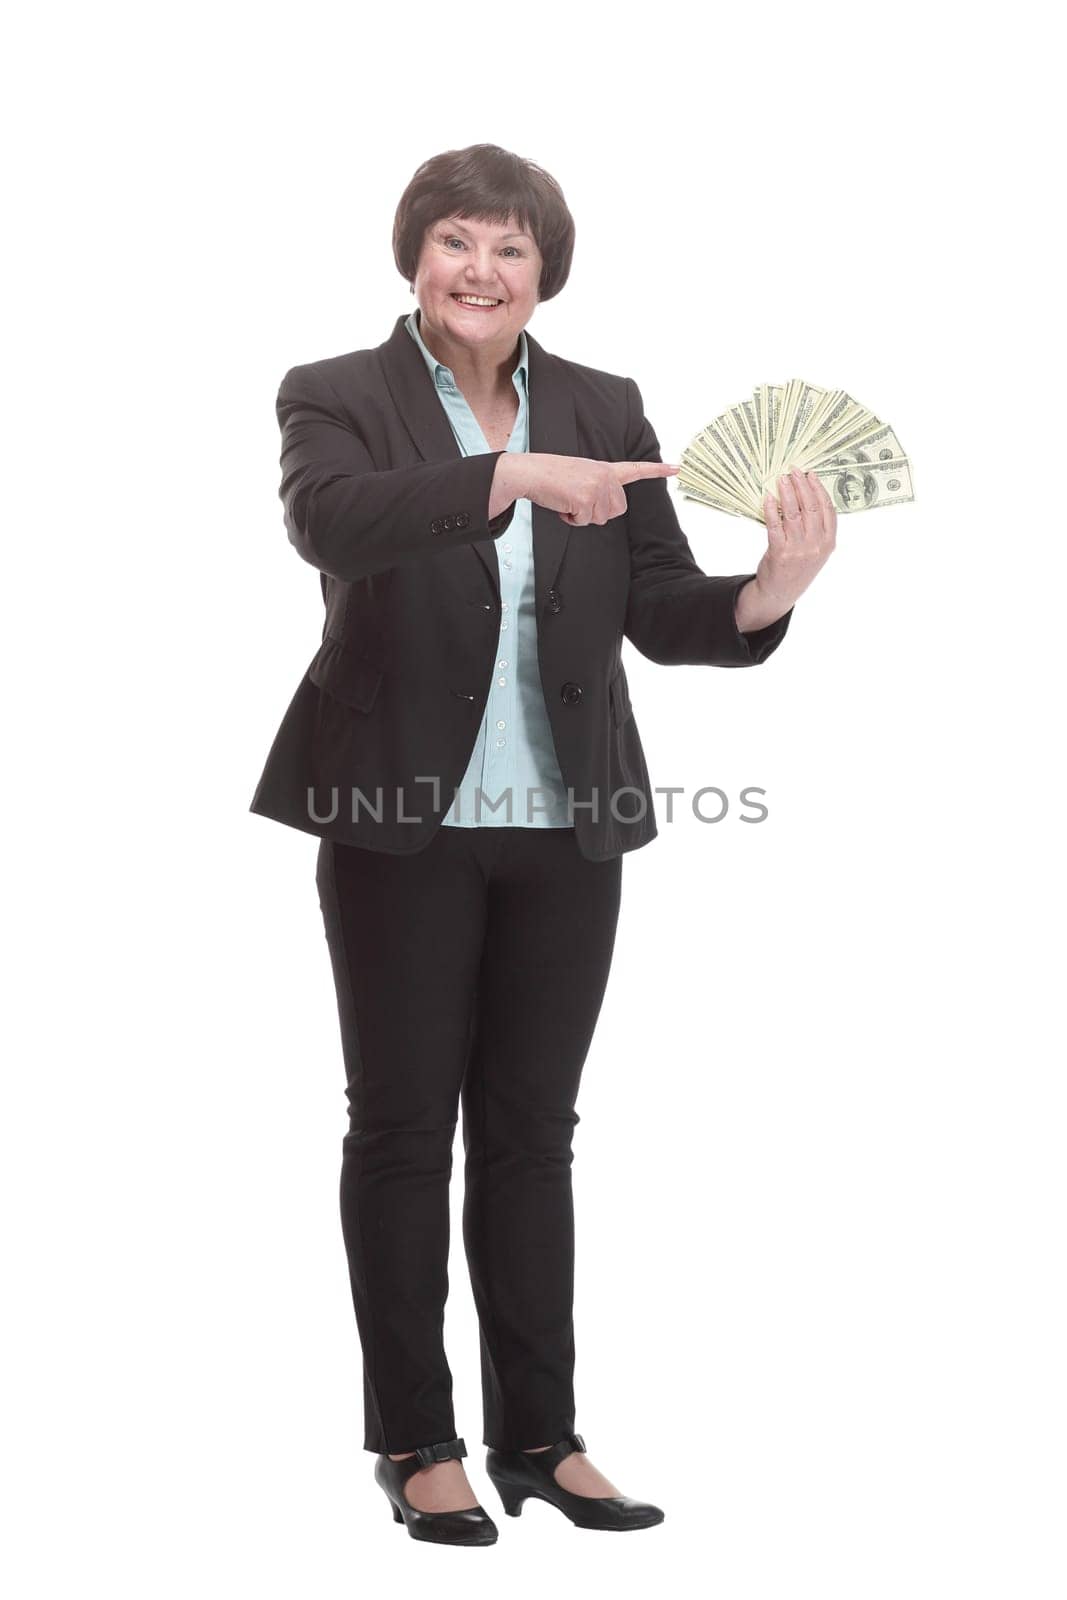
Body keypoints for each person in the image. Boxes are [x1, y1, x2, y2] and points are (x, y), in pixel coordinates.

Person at [249, 142, 836, 1546]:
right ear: (415, 256)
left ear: (543, 272)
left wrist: (768, 590)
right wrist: (506, 475)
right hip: (400, 818)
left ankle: (541, 1438)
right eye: (457, 241)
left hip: (570, 825)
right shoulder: (338, 395)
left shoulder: (601, 401)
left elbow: (659, 609)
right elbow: (326, 521)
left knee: (533, 1136)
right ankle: (413, 1441)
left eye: (511, 249)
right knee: (402, 1134)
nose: (482, 270)